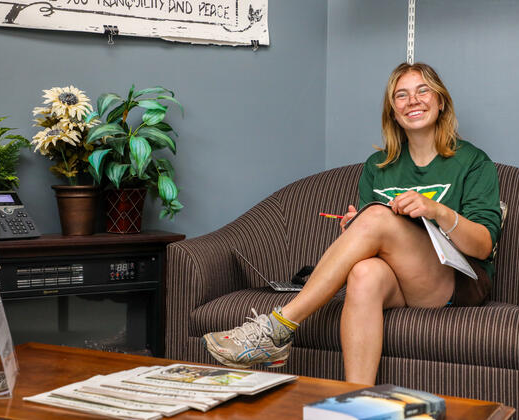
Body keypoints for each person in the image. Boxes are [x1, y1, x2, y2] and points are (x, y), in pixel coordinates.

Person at [202, 62, 502, 385]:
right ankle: (358, 400)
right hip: (401, 280)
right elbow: (369, 247)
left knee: (374, 217)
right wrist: (355, 227)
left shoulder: (472, 161)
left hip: (456, 280)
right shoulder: (378, 166)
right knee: (363, 274)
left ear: (441, 101)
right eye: (401, 95)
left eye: (423, 91)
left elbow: (484, 245)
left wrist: (437, 210)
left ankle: (279, 327)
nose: (412, 101)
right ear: (393, 111)